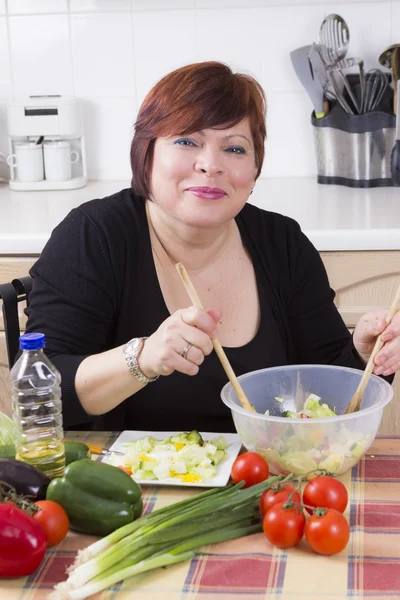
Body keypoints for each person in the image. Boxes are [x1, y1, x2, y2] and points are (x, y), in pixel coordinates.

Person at [25, 61, 400, 432]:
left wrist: (363, 355)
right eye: (187, 141)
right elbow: (44, 397)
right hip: (125, 484)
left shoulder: (282, 242)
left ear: (254, 169)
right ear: (146, 152)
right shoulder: (94, 236)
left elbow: (328, 400)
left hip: (262, 477)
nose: (210, 165)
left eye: (235, 149)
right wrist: (141, 359)